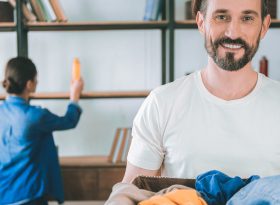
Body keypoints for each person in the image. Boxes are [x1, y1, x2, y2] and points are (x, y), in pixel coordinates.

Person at [122, 0, 280, 184]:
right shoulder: (161, 103)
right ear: (201, 22)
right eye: (221, 17)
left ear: (264, 26)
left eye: (247, 18)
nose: (233, 33)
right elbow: (131, 192)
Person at [0, 57, 84, 205]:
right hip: (29, 195)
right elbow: (69, 121)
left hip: (4, 195)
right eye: (36, 79)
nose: (37, 82)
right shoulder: (36, 116)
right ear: (29, 84)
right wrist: (74, 97)